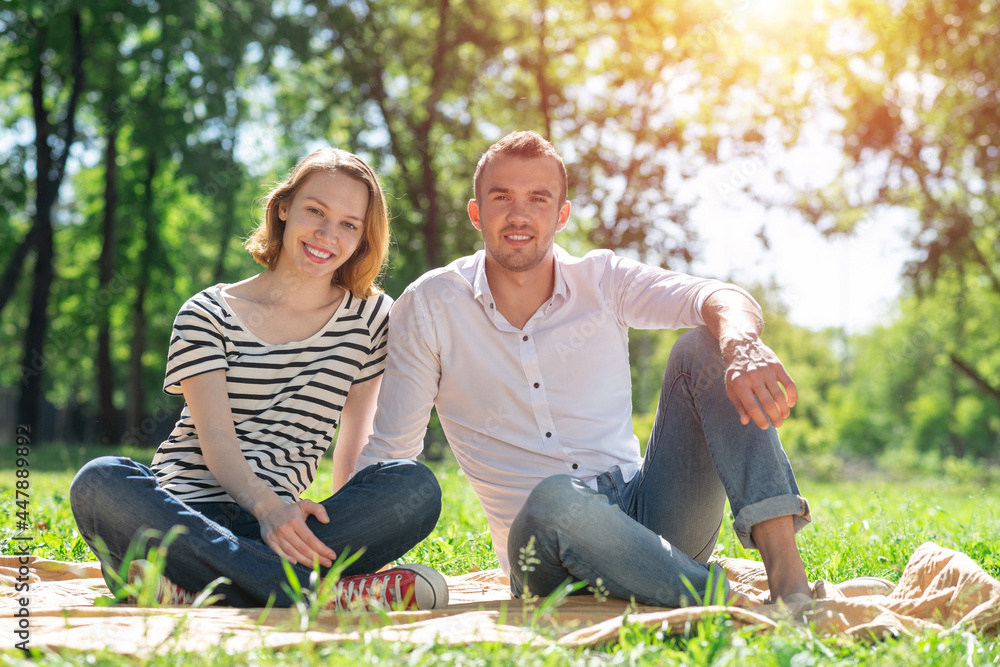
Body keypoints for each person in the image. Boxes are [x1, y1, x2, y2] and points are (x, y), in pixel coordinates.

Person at [353, 131, 812, 607]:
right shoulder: (430, 304)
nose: (519, 214)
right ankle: (720, 598)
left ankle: (788, 583)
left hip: (651, 520)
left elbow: (716, 296)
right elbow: (392, 452)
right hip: (544, 550)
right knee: (555, 498)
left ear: (561, 214)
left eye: (538, 198)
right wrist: (351, 563)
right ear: (476, 213)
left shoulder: (602, 279)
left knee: (707, 343)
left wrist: (740, 341)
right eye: (501, 198)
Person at [71, 148, 447, 610]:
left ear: (364, 236)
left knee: (415, 486)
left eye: (349, 224)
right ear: (284, 208)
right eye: (316, 211)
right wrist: (267, 508)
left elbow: (356, 439)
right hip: (184, 516)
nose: (328, 234)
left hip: (289, 530)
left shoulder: (370, 318)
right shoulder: (207, 313)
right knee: (100, 480)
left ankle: (201, 587)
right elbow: (216, 440)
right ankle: (312, 594)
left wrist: (341, 522)